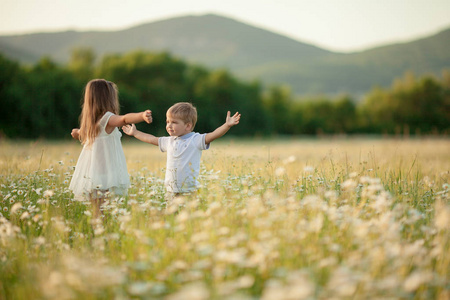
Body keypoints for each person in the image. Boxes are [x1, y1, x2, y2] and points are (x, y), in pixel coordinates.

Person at [69, 79, 152, 217]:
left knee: (98, 210)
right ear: (107, 99)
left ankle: (98, 232)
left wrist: (77, 133)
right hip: (105, 175)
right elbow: (125, 119)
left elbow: (84, 135)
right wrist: (141, 115)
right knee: (102, 211)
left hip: (92, 174)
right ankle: (101, 233)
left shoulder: (91, 122)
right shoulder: (107, 118)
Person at [122, 102, 240, 196]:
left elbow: (213, 135)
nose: (169, 125)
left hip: (189, 191)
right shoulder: (169, 141)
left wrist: (227, 125)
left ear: (188, 126)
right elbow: (151, 139)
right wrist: (135, 133)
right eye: (167, 121)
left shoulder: (195, 140)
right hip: (171, 190)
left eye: (174, 122)